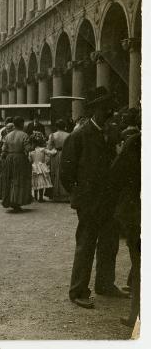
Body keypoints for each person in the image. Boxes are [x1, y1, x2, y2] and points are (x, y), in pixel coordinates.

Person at [60, 87, 128, 309]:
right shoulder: (78, 136)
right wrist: (80, 195)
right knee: (86, 245)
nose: (111, 113)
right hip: (89, 202)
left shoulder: (110, 134)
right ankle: (78, 290)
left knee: (109, 244)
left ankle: (105, 284)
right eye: (107, 109)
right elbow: (66, 174)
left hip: (109, 200)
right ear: (97, 110)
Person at [110, 129, 141, 327]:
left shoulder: (136, 141)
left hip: (137, 210)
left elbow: (116, 174)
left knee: (139, 263)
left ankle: (136, 315)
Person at [0, 117, 31, 211]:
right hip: (20, 158)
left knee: (10, 179)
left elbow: (3, 149)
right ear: (21, 124)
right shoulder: (24, 135)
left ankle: (9, 200)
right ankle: (17, 201)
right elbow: (28, 149)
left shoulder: (8, 135)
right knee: (19, 179)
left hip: (9, 158)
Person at [46, 119, 70, 202]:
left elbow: (49, 147)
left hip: (55, 154)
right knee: (64, 172)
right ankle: (65, 194)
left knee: (55, 173)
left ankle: (56, 194)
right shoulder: (68, 135)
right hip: (65, 154)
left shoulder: (53, 135)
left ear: (56, 127)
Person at [29, 131, 53, 202]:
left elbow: (30, 160)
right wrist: (54, 150)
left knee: (35, 181)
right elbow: (50, 153)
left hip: (34, 166)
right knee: (41, 182)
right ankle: (40, 197)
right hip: (41, 167)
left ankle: (35, 196)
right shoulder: (43, 150)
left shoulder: (31, 151)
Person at [0, 118, 14, 200]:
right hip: (6, 156)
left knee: (2, 176)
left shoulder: (4, 135)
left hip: (3, 156)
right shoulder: (7, 136)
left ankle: (1, 192)